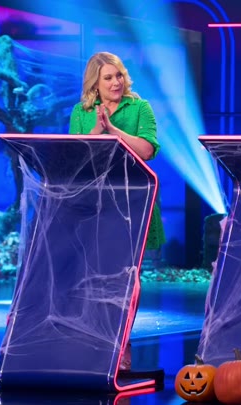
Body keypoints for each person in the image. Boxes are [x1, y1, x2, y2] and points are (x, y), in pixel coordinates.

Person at [69, 51, 166, 370]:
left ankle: (121, 344)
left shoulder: (140, 108)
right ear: (94, 84)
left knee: (126, 277)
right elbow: (75, 155)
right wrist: (97, 130)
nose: (116, 82)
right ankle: (94, 342)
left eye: (119, 75)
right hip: (93, 204)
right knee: (92, 275)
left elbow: (147, 150)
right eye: (108, 77)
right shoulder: (81, 112)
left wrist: (114, 130)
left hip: (132, 203)